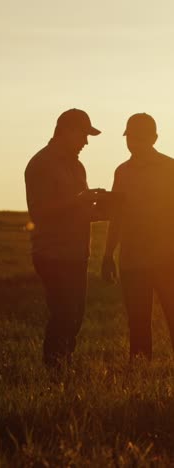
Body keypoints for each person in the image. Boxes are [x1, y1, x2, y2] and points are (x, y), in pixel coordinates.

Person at [25, 109, 102, 369]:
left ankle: (64, 367)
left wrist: (107, 208)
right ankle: (54, 372)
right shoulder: (41, 164)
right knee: (64, 314)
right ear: (67, 131)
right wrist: (78, 201)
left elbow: (79, 211)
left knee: (75, 316)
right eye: (83, 135)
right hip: (53, 254)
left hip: (76, 254)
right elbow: (39, 211)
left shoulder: (76, 165)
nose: (86, 142)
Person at [102, 113, 174, 361]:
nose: (134, 143)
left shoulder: (170, 167)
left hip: (167, 260)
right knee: (138, 323)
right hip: (132, 260)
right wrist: (108, 254)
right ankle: (140, 378)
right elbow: (116, 216)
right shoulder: (122, 172)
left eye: (140, 138)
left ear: (154, 138)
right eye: (131, 137)